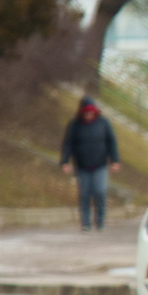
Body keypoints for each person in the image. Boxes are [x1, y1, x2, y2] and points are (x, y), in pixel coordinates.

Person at [59, 95, 122, 231]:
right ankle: (86, 223)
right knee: (84, 194)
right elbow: (68, 144)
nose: (88, 116)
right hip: (82, 166)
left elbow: (111, 142)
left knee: (100, 192)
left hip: (100, 165)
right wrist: (65, 161)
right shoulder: (75, 125)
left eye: (91, 113)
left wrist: (115, 160)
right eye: (86, 113)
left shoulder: (103, 123)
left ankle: (100, 221)